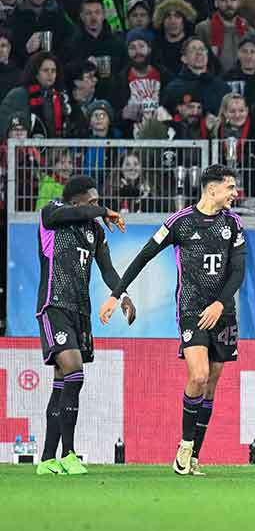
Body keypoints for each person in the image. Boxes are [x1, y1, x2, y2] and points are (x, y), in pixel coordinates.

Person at [100, 165, 246, 476]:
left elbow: (238, 271)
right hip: (191, 309)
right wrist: (116, 295)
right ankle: (184, 446)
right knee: (198, 376)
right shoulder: (179, 222)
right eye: (230, 187)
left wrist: (221, 304)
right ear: (212, 190)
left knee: (212, 383)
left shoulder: (234, 224)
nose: (234, 193)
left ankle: (195, 453)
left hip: (223, 312)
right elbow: (143, 256)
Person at [34, 175, 133, 476]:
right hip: (55, 307)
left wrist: (123, 295)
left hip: (80, 313)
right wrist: (103, 211)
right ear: (75, 201)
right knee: (74, 372)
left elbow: (108, 270)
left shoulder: (95, 232)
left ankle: (48, 459)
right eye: (91, 202)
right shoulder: (52, 215)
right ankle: (69, 453)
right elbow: (72, 213)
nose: (97, 206)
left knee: (63, 381)